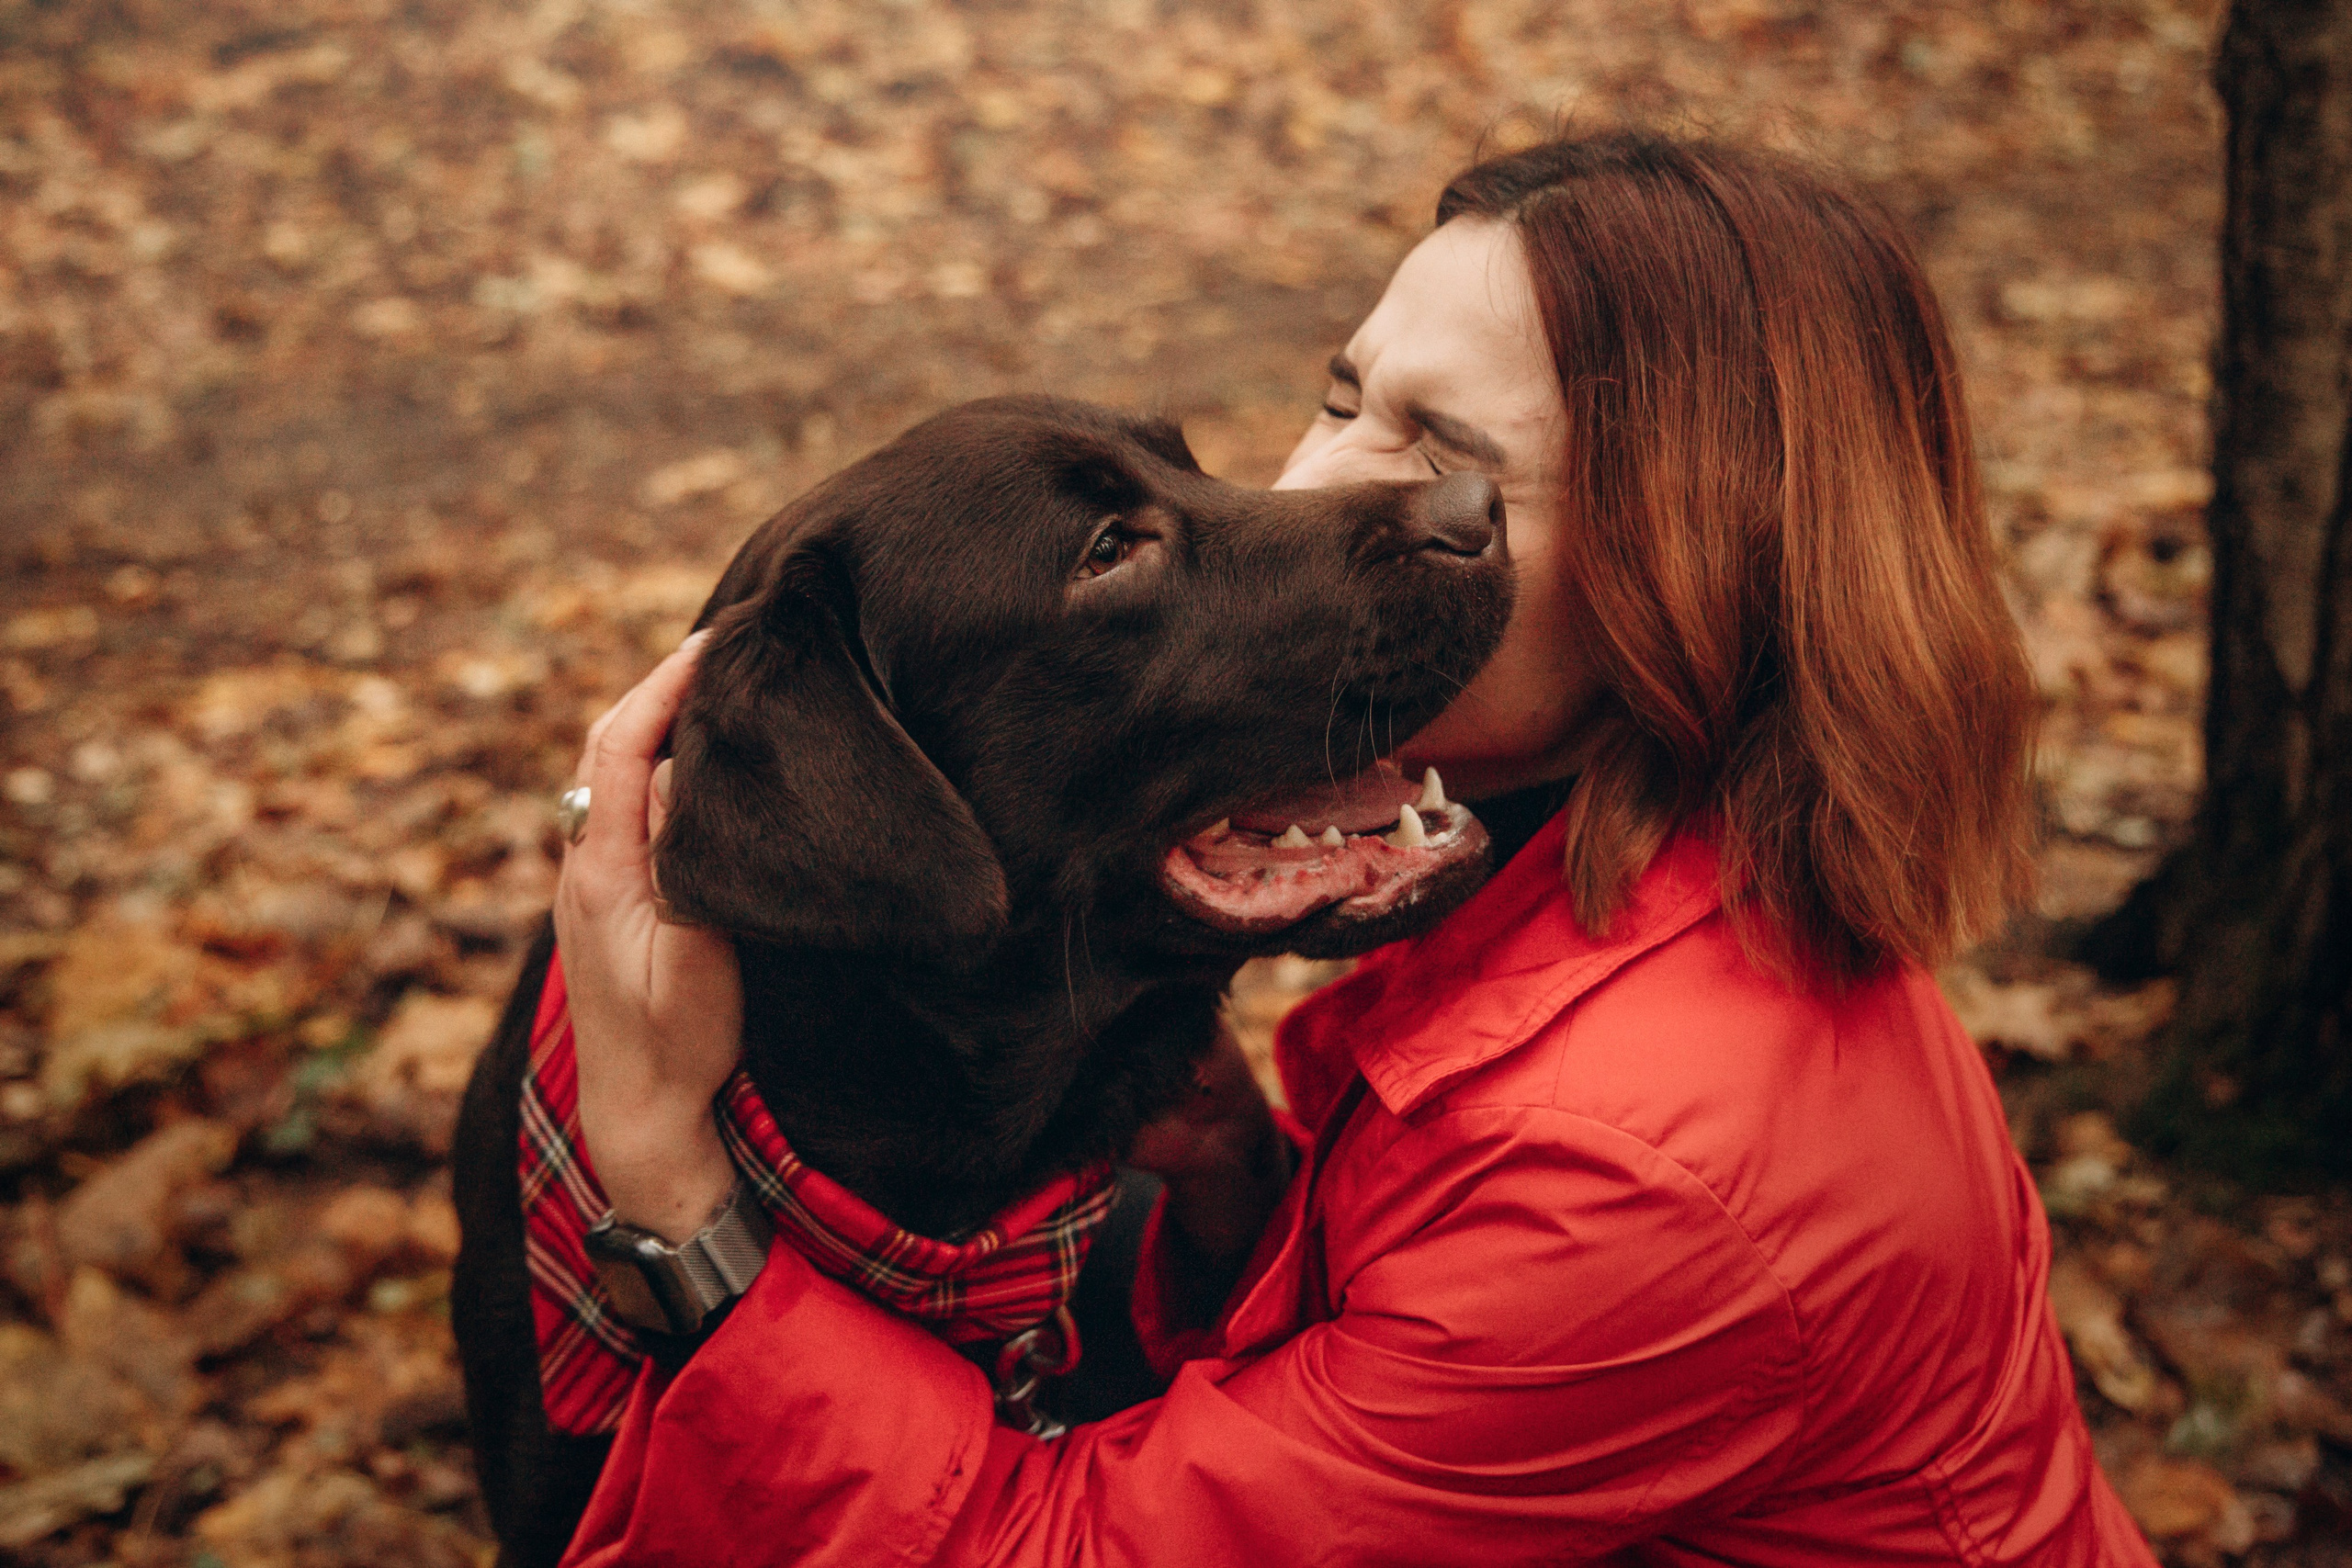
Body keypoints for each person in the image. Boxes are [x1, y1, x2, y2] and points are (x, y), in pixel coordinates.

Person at [546, 131, 2159, 1565]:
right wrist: (1247, 1192)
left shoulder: (1644, 1164)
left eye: (1454, 464)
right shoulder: (1609, 848)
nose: (1318, 484)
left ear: (1684, 568)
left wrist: (674, 1193)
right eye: (1344, 400)